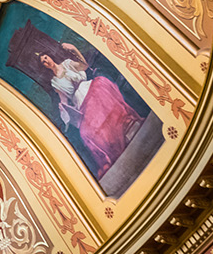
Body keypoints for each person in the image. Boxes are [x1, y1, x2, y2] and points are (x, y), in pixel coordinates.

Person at [40, 41, 144, 176]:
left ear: (50, 56)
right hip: (80, 102)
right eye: (43, 62)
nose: (46, 61)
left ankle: (126, 125)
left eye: (46, 58)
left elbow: (84, 66)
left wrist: (74, 48)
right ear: (44, 66)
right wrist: (63, 107)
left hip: (91, 88)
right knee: (85, 132)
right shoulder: (55, 82)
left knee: (101, 98)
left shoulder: (67, 63)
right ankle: (111, 148)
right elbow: (64, 99)